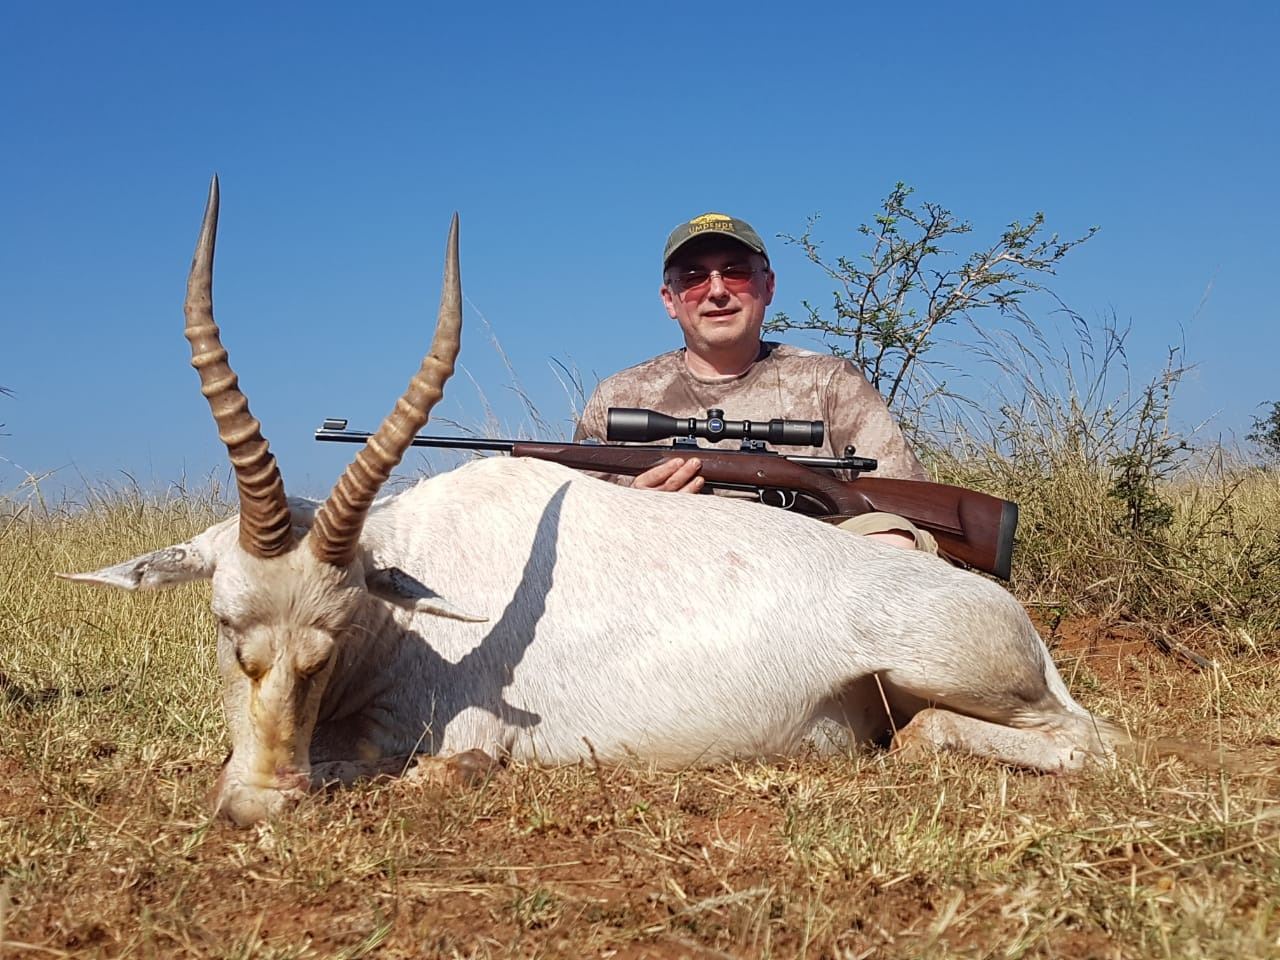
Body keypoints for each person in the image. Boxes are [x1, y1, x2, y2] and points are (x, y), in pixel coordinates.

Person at [574, 212, 936, 552]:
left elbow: (910, 505)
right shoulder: (619, 396)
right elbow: (575, 532)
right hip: (667, 569)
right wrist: (635, 510)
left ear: (769, 285)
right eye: (693, 278)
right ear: (670, 300)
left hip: (810, 572)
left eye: (736, 273)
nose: (717, 291)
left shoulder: (829, 382)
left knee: (895, 539)